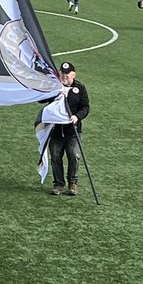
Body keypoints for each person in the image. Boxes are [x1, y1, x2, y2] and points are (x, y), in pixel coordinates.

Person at [47, 61, 90, 196]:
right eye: (62, 73)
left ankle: (73, 182)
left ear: (73, 75)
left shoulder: (80, 88)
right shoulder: (54, 87)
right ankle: (58, 184)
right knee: (55, 156)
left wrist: (77, 117)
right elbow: (42, 100)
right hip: (56, 130)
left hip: (73, 131)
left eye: (67, 74)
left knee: (74, 155)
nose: (64, 76)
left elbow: (86, 107)